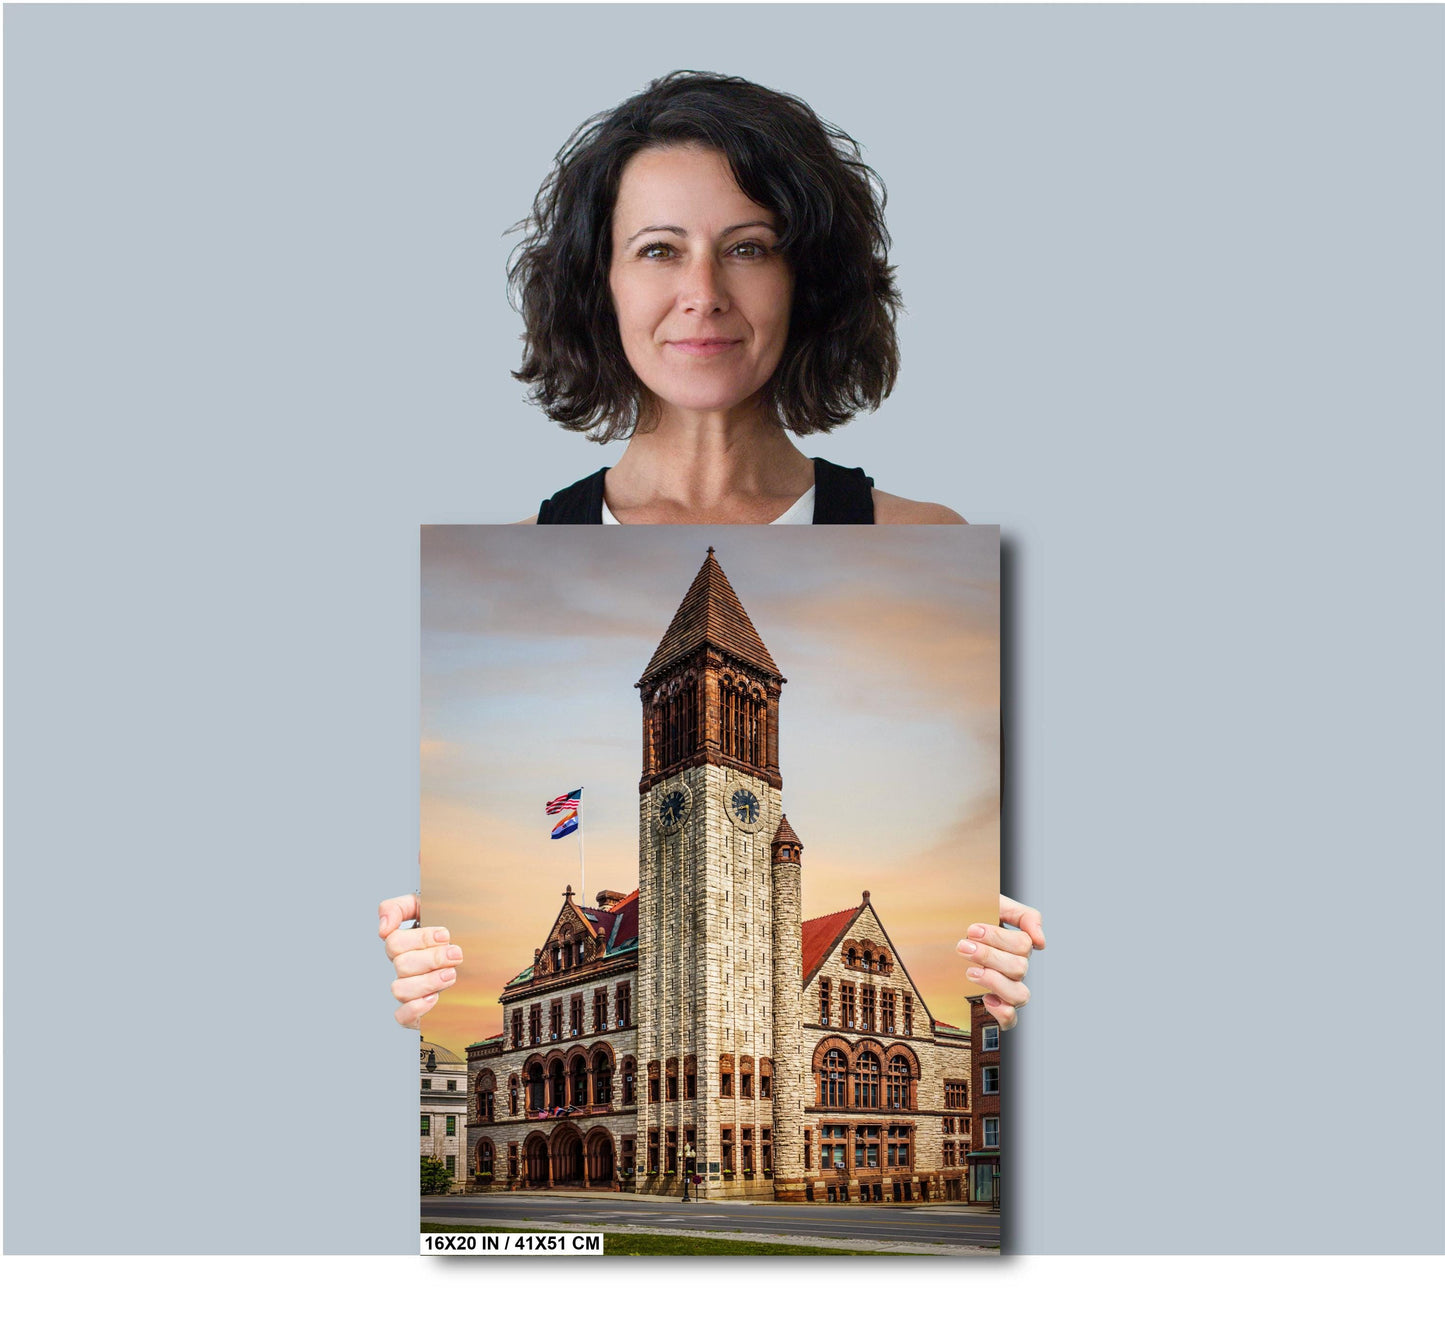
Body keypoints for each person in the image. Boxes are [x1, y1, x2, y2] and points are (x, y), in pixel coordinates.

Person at [384, 71, 1045, 1031]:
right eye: (658, 250)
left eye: (749, 248)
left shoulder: (924, 539)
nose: (702, 294)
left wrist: (1020, 965)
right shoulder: (530, 545)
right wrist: (407, 986)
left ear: (807, 279)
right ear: (600, 283)